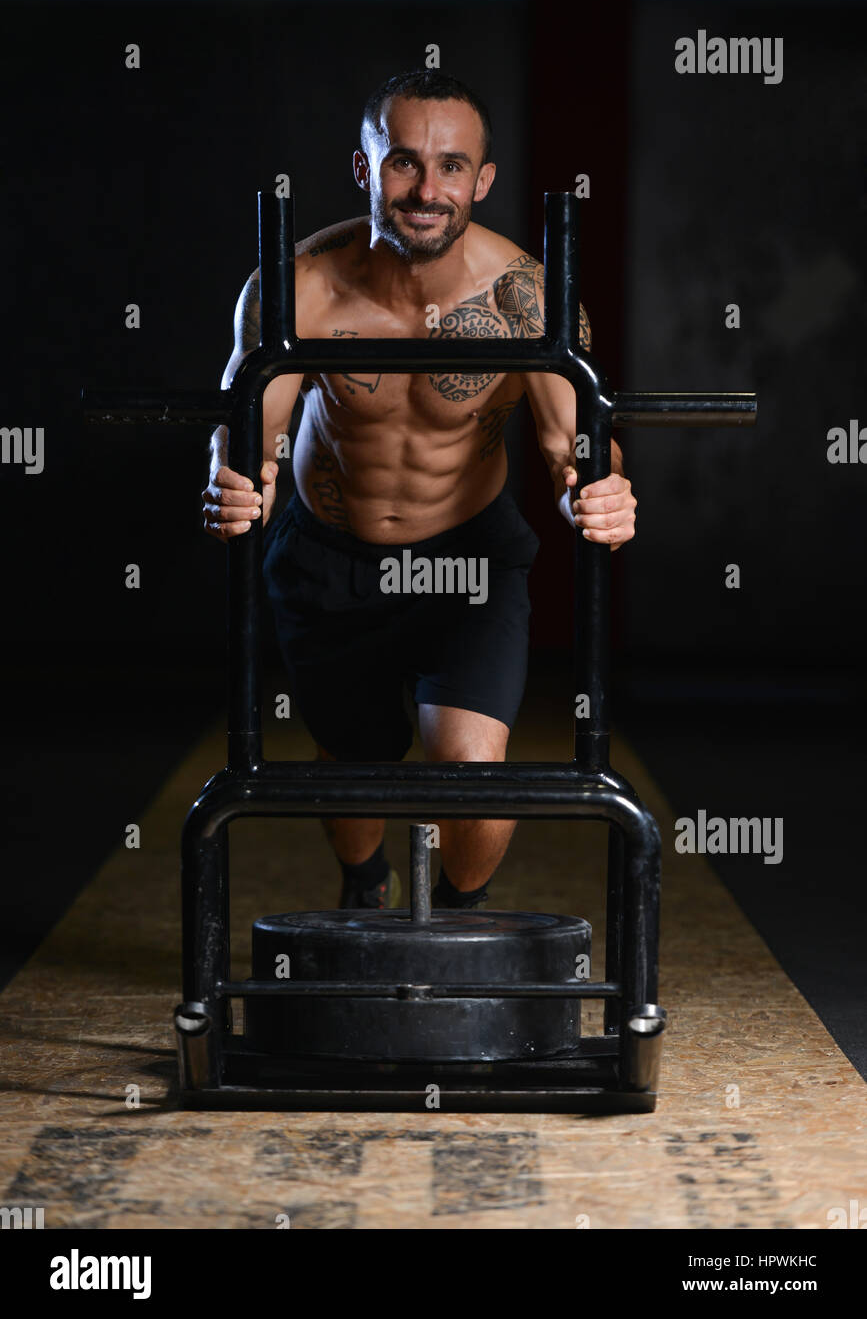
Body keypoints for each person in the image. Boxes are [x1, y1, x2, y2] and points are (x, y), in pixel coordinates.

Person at [202, 69, 636, 912]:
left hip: (466, 557)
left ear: (482, 181)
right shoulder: (296, 290)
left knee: (470, 766)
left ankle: (455, 928)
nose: (426, 189)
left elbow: (571, 447)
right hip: (330, 554)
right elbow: (248, 429)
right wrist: (226, 482)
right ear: (365, 170)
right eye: (403, 163)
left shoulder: (529, 302)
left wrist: (606, 488)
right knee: (352, 760)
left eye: (449, 166)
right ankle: (365, 885)